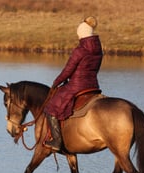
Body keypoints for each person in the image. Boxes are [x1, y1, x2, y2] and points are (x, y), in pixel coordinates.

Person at [44, 16, 103, 151]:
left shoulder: (80, 50)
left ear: (81, 34)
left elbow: (68, 70)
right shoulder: (98, 49)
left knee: (51, 107)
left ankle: (57, 142)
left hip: (77, 85)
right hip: (93, 85)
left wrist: (56, 83)